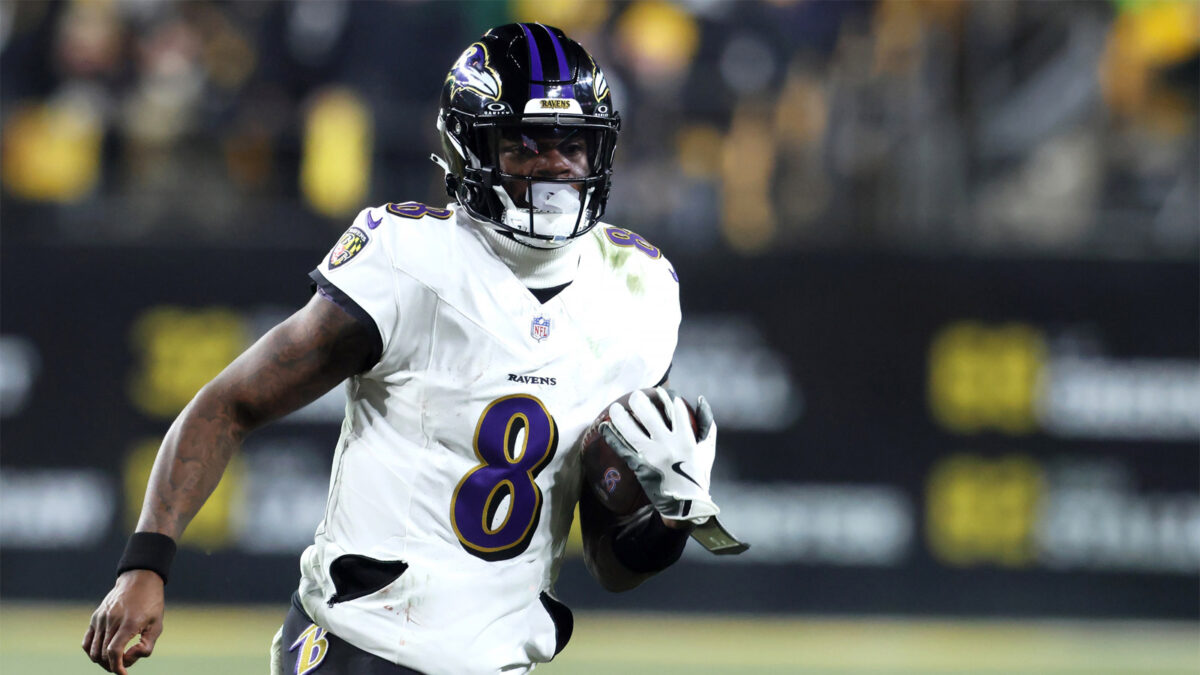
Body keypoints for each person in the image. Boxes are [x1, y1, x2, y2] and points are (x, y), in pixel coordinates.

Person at [83, 23, 741, 675]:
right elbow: (230, 403)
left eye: (573, 143)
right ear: (467, 147)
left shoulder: (641, 289)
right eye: (524, 144)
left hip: (498, 663)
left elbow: (611, 564)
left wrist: (669, 515)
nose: (555, 166)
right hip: (358, 645)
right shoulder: (408, 259)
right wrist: (145, 563)